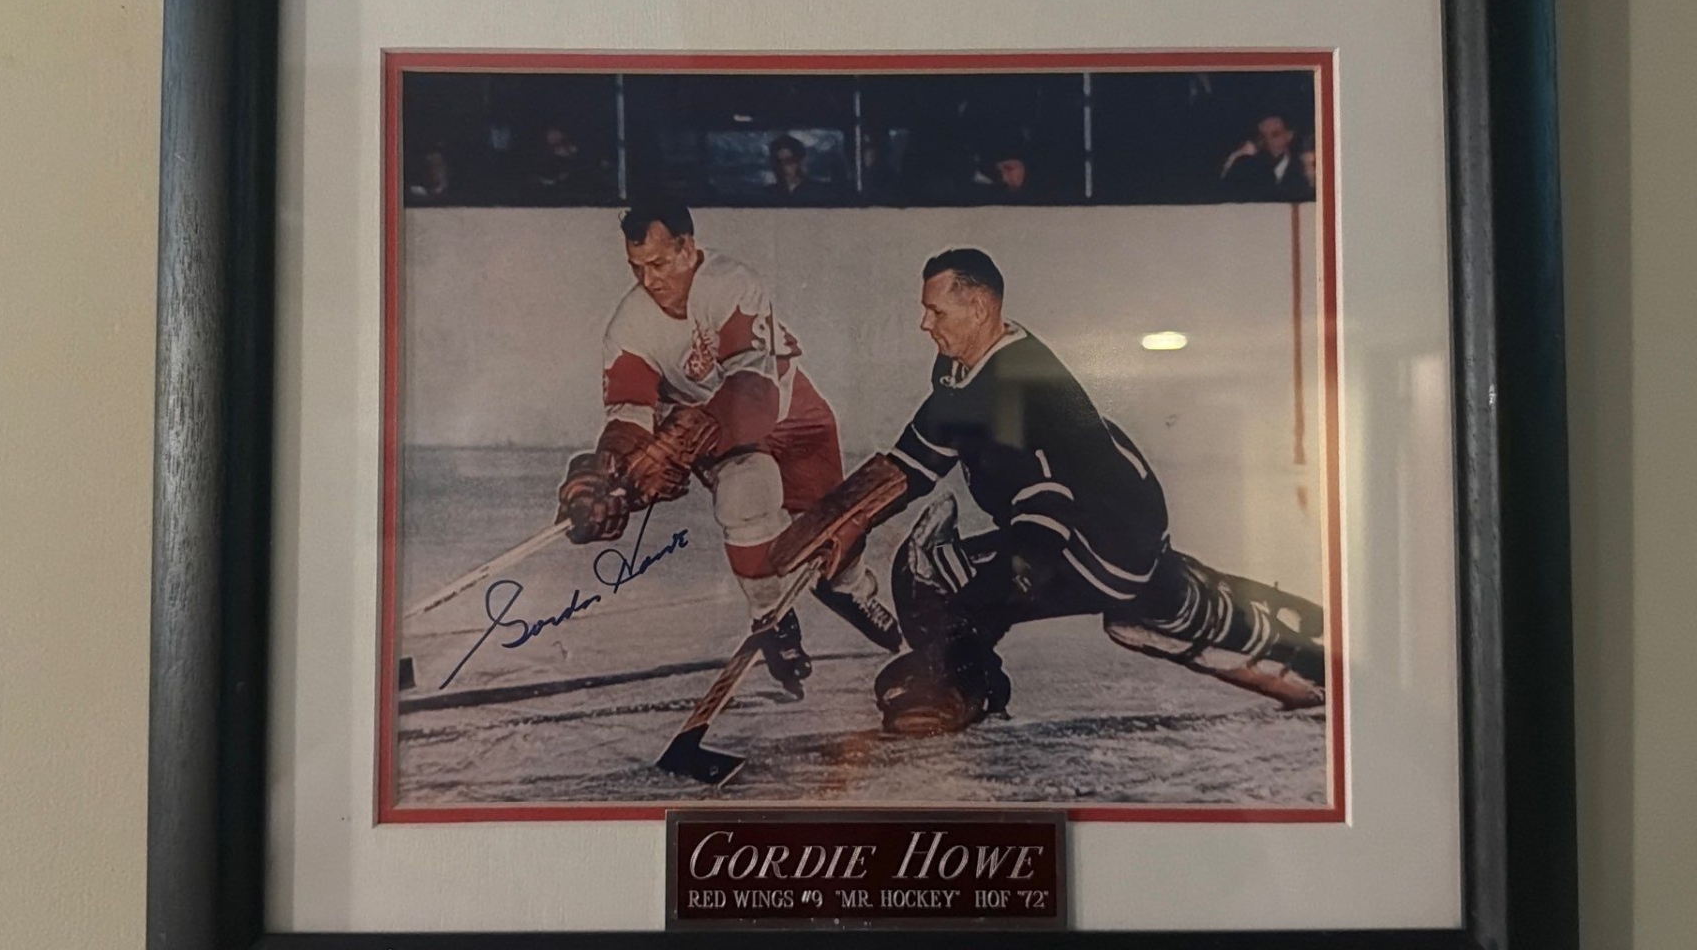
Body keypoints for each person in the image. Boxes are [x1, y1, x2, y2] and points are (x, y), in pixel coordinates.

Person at [769, 247, 1327, 734]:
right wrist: (843, 521)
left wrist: (970, 626)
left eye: (935, 311)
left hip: (1100, 544)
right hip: (1107, 526)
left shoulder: (1016, 391)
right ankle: (1253, 622)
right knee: (1157, 607)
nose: (924, 323)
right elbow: (917, 456)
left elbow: (1040, 531)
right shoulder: (970, 364)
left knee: (935, 576)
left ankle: (960, 690)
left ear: (979, 307)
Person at [554, 200, 901, 692]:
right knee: (745, 495)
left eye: (658, 264)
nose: (648, 280)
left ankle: (850, 589)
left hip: (788, 413)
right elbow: (629, 412)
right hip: (714, 432)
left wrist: (685, 438)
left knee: (832, 528)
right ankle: (771, 617)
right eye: (636, 267)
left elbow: (754, 391)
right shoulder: (628, 325)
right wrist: (608, 470)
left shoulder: (730, 283)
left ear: (687, 248)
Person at [1219, 112, 1314, 200]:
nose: (1268, 141)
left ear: (1289, 135)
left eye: (1275, 134)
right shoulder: (1246, 168)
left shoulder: (1304, 169)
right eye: (1263, 136)